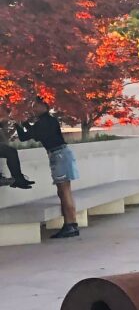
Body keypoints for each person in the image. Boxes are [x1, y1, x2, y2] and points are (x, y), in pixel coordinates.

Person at [18, 101, 78, 238]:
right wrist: (23, 123)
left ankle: (70, 225)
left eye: (37, 106)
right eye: (33, 107)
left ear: (45, 107)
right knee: (63, 191)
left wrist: (19, 123)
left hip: (59, 155)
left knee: (64, 191)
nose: (34, 109)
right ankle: (71, 224)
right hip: (60, 154)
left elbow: (27, 136)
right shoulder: (47, 121)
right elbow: (32, 133)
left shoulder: (46, 121)